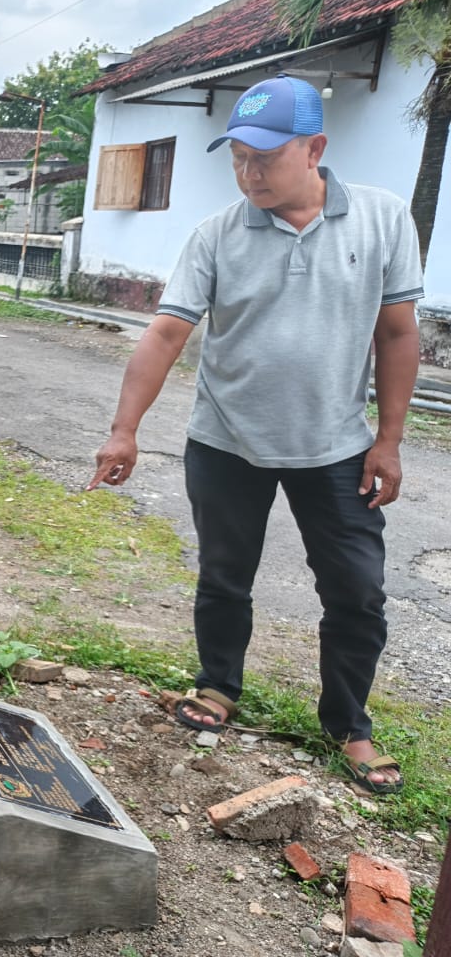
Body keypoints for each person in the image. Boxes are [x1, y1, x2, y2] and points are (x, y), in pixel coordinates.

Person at [86, 74, 423, 794]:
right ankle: (218, 688)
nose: (250, 172)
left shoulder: (383, 219)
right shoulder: (216, 235)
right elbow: (167, 332)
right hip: (226, 442)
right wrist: (124, 431)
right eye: (239, 157)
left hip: (337, 447)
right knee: (224, 575)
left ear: (315, 148)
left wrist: (388, 440)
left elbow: (397, 334)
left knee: (357, 590)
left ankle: (349, 725)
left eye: (265, 157)